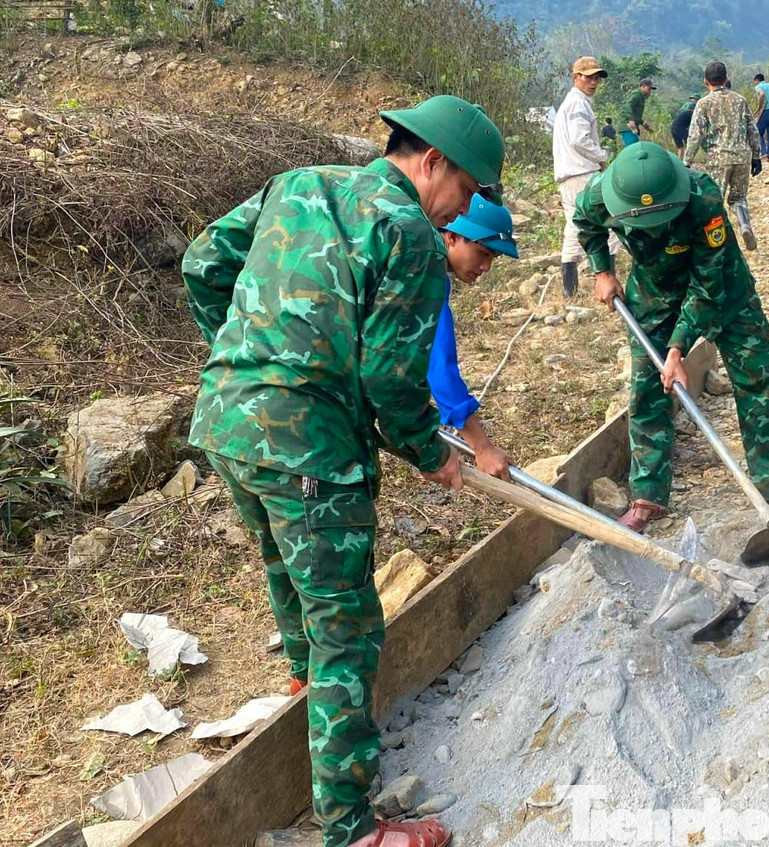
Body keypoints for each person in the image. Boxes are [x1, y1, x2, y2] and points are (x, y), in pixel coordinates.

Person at [182, 94, 507, 847]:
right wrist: (432, 455)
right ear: (434, 162)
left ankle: (306, 699)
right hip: (311, 447)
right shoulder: (410, 236)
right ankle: (351, 827)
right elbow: (392, 381)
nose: (465, 208)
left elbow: (204, 263)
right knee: (349, 628)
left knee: (288, 575)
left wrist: (243, 356)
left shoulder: (299, 183)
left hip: (228, 422)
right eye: (468, 190)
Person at [574, 142, 769, 531]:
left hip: (722, 289)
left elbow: (707, 286)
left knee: (757, 377)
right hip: (654, 289)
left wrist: (678, 348)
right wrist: (602, 270)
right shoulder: (601, 194)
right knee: (648, 385)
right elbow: (585, 223)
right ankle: (648, 493)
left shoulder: (702, 199)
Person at [428, 194, 519, 481]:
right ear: (453, 237)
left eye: (493, 258)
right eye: (483, 253)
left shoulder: (423, 253)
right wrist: (481, 446)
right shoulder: (424, 268)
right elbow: (438, 366)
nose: (486, 267)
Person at [554, 56, 623, 299]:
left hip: (569, 175)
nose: (594, 82)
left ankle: (569, 288)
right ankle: (609, 278)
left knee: (574, 227)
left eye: (596, 78)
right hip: (582, 173)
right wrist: (601, 156)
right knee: (610, 221)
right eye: (589, 77)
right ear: (576, 77)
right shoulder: (578, 104)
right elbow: (579, 139)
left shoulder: (572, 102)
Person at [684, 61, 762, 252]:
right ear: (726, 79)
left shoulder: (703, 103)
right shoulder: (740, 100)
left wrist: (687, 161)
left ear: (705, 82)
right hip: (742, 156)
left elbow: (695, 135)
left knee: (715, 199)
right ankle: (744, 225)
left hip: (718, 159)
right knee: (739, 199)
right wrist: (756, 156)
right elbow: (753, 130)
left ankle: (719, 241)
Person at [620, 77, 656, 146]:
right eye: (649, 89)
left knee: (636, 146)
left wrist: (642, 123)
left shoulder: (642, 97)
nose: (650, 92)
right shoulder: (637, 94)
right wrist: (630, 119)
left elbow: (635, 114)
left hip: (633, 127)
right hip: (628, 126)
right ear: (643, 86)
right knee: (633, 149)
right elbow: (628, 105)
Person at [753, 72, 769, 159]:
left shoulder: (759, 86)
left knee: (758, 131)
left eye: (755, 81)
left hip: (766, 111)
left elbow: (762, 94)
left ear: (757, 80)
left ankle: (763, 152)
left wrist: (759, 106)